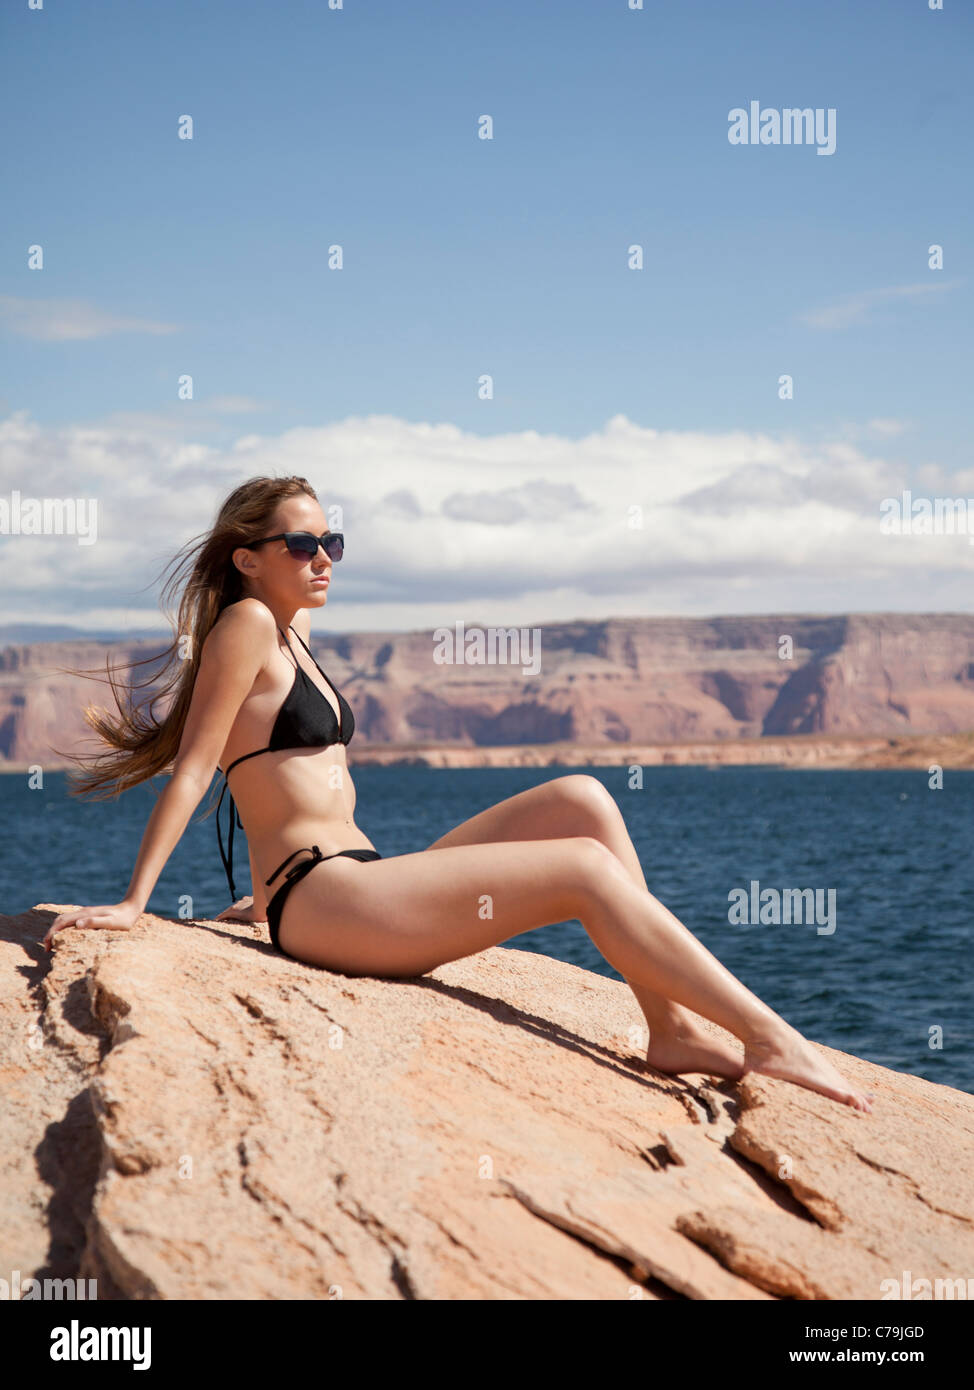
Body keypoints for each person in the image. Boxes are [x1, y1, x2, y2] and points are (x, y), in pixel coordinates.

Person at [42, 475, 874, 1112]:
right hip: (324, 900)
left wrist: (258, 896)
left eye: (332, 539)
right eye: (301, 544)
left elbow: (293, 787)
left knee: (583, 797)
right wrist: (133, 903)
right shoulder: (247, 625)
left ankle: (673, 1028)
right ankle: (769, 1038)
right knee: (583, 867)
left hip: (352, 880)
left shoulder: (295, 631)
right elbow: (197, 766)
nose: (323, 556)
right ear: (248, 557)